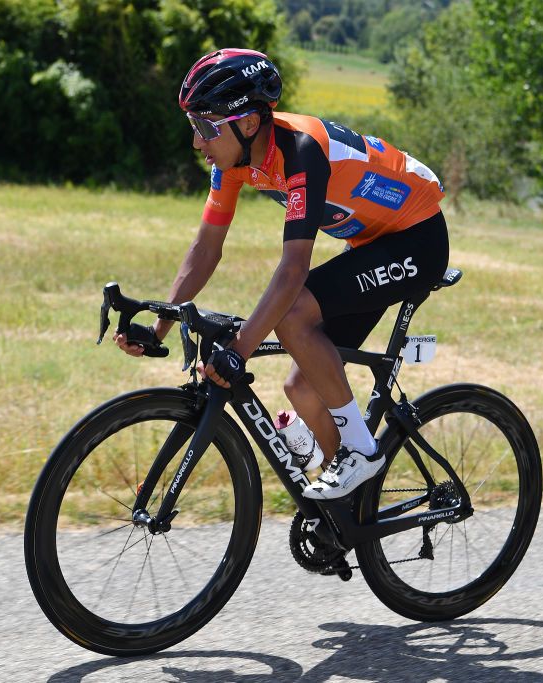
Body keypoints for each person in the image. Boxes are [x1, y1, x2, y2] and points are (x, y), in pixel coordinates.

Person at [113, 48, 449, 499]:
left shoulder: (302, 150)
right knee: (302, 387)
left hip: (417, 239)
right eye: (194, 126)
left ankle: (361, 451)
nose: (197, 142)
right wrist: (161, 326)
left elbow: (293, 270)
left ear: (248, 123)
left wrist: (240, 351)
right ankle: (349, 513)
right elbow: (206, 248)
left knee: (292, 317)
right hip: (369, 243)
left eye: (205, 127)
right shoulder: (235, 161)